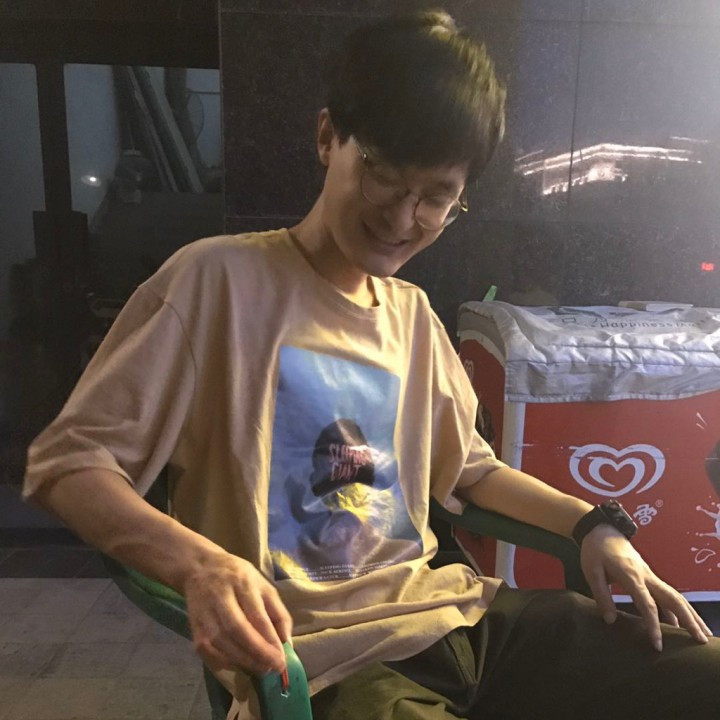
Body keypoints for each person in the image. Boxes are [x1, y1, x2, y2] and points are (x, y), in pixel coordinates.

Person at [23, 10, 719, 720]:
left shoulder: (414, 316)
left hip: (461, 618)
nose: (402, 217)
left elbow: (472, 471)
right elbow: (67, 466)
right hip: (327, 662)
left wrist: (593, 525)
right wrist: (200, 564)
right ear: (329, 138)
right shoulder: (214, 284)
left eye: (437, 198)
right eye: (383, 175)